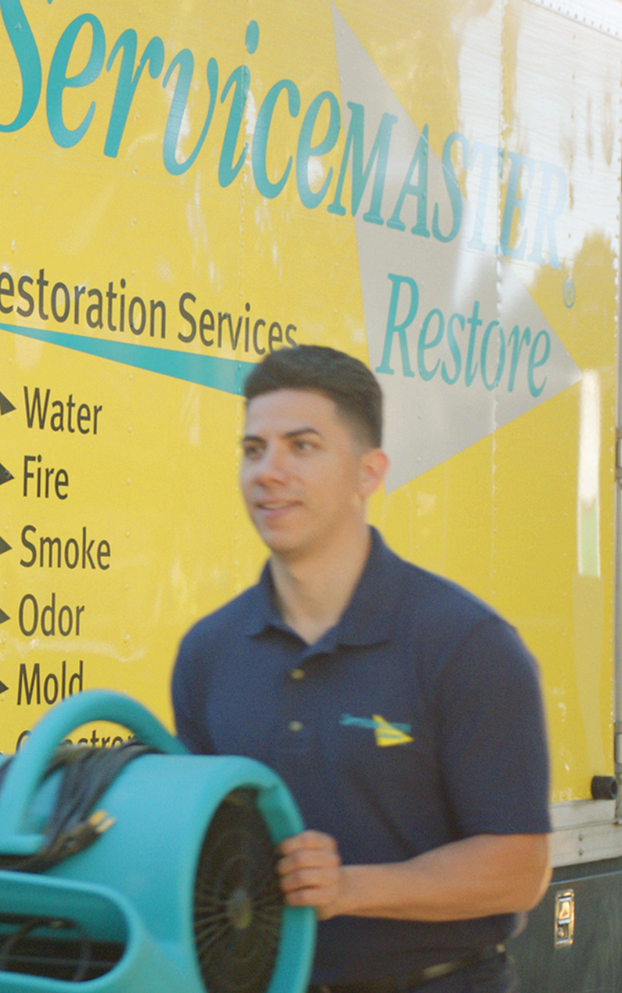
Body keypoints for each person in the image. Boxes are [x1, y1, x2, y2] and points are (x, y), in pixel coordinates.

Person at [170, 345, 551, 992]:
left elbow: (519, 869)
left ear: (368, 473)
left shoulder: (466, 645)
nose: (269, 471)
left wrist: (349, 887)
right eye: (254, 450)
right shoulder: (208, 651)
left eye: (302, 446)